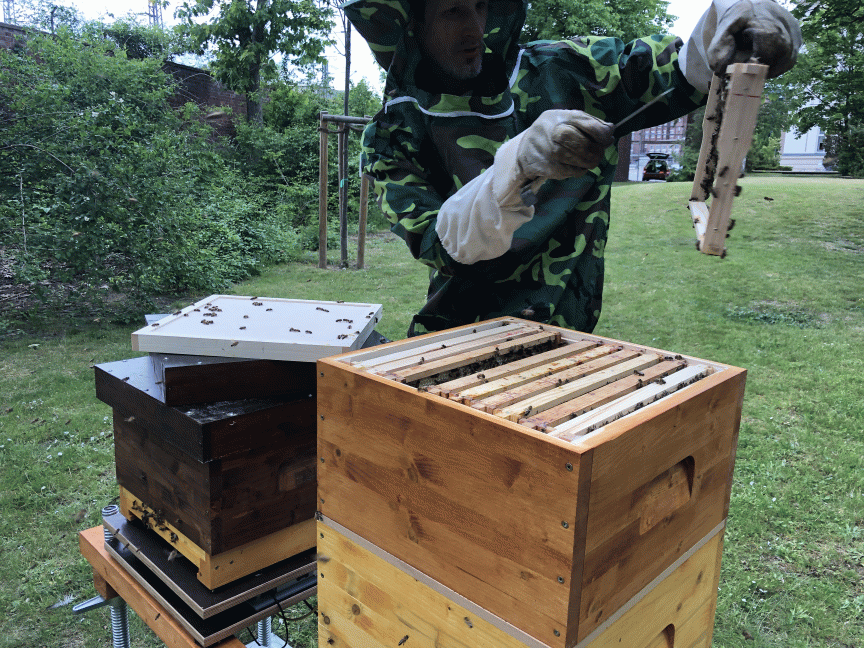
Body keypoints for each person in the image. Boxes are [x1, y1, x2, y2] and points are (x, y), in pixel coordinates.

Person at [343, 0, 801, 336]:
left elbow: (675, 71)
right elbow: (437, 243)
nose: (475, 28)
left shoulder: (563, 67)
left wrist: (736, 22)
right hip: (458, 334)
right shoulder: (393, 133)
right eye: (453, 11)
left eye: (481, 7)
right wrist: (517, 164)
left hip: (568, 331)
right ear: (414, 23)